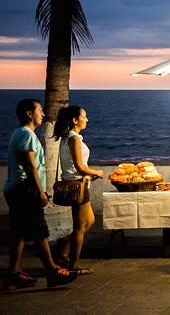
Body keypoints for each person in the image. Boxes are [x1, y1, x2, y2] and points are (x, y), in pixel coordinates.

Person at [3, 99, 78, 290]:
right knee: (40, 231)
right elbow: (30, 166)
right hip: (25, 190)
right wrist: (40, 191)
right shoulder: (26, 135)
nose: (43, 114)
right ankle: (52, 271)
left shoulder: (19, 133)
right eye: (40, 110)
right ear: (29, 113)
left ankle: (13, 273)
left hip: (16, 189)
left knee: (19, 233)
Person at [53, 106, 104, 275]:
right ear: (75, 120)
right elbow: (80, 166)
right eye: (84, 116)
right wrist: (97, 172)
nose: (87, 119)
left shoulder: (69, 137)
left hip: (79, 182)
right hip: (77, 184)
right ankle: (73, 265)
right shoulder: (73, 138)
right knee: (81, 226)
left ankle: (63, 253)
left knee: (88, 222)